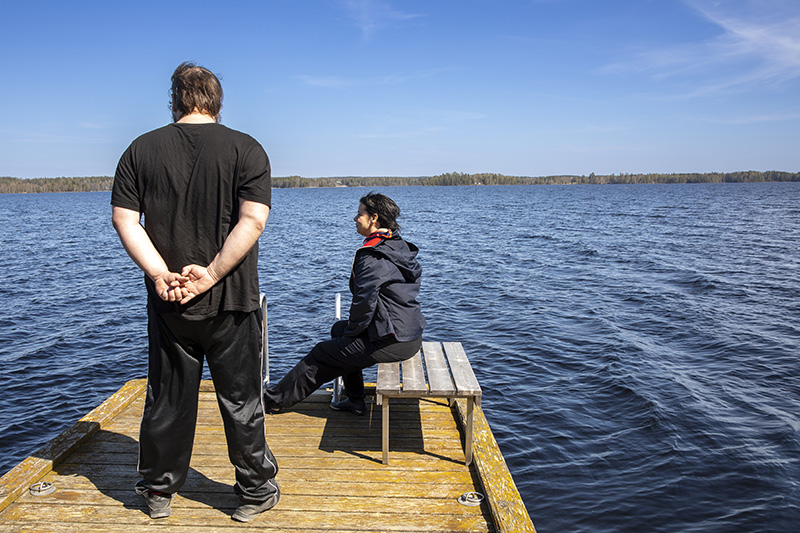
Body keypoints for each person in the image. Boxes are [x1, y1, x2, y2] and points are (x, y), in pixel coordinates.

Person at [111, 62, 279, 523]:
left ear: (175, 99)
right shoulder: (247, 148)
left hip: (169, 302)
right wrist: (210, 274)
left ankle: (159, 492)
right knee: (241, 399)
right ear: (216, 100)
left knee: (168, 399)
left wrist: (160, 273)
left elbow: (126, 221)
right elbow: (254, 221)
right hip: (233, 300)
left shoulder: (139, 150)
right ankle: (255, 491)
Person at [264, 192, 426, 415]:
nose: (354, 219)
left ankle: (272, 400)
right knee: (338, 330)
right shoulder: (397, 245)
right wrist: (349, 331)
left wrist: (353, 330)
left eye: (359, 214)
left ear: (374, 218)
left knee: (322, 353)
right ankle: (355, 400)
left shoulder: (373, 255)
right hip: (410, 334)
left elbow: (364, 302)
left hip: (394, 340)